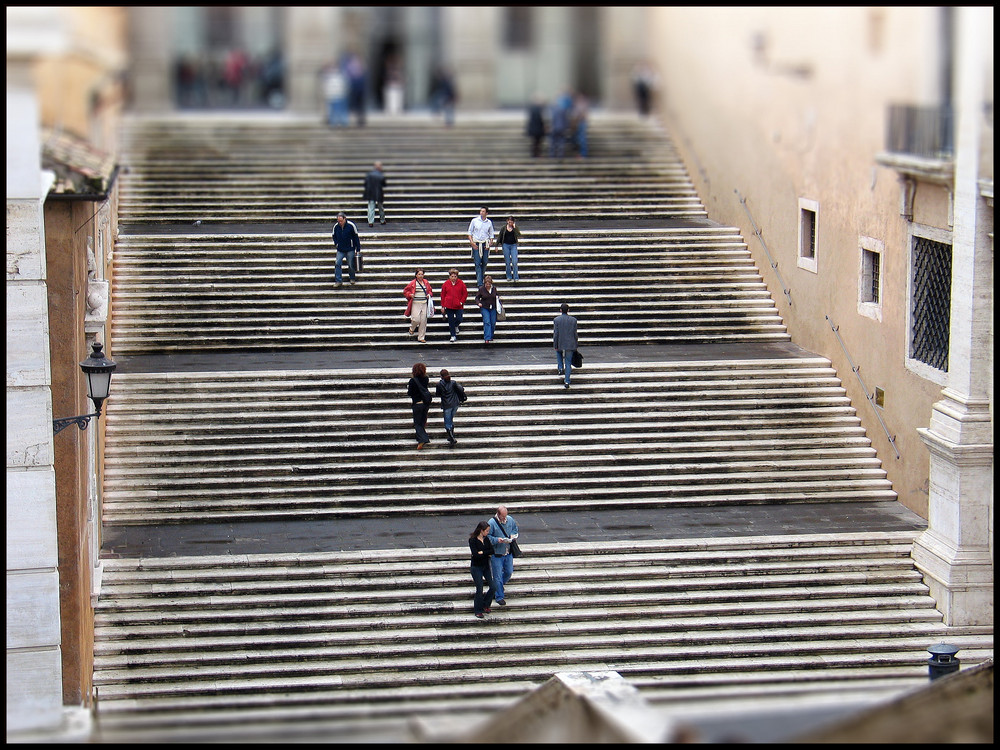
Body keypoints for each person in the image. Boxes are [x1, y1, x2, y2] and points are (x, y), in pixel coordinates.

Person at [487, 506, 519, 607]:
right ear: (498, 514)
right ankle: (499, 596)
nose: (505, 519)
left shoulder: (510, 519)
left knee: (509, 572)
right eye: (502, 517)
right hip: (497, 553)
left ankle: (498, 586)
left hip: (508, 551)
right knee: (497, 576)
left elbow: (515, 529)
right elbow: (487, 537)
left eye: (505, 516)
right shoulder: (491, 523)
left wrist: (512, 536)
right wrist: (497, 540)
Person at [469, 521, 495, 618]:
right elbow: (475, 555)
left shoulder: (486, 539)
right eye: (487, 531)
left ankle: (485, 604)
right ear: (481, 530)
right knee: (479, 588)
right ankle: (478, 610)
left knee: (493, 586)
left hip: (485, 566)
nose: (488, 533)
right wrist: (485, 553)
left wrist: (482, 552)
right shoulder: (473, 540)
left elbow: (492, 551)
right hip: (476, 567)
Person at [435, 368, 466, 446]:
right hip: (455, 403)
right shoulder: (453, 383)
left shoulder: (439, 384)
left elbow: (438, 394)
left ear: (441, 376)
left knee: (447, 421)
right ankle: (451, 435)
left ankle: (452, 437)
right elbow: (461, 389)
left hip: (446, 404)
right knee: (450, 418)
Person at [406, 362, 433, 449]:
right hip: (425, 403)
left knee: (417, 423)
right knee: (422, 422)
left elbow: (410, 393)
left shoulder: (412, 381)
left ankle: (423, 439)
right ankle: (419, 438)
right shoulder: (426, 379)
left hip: (417, 404)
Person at [403, 269, 433, 344]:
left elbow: (430, 291)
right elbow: (405, 291)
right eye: (419, 274)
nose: (420, 276)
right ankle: (412, 328)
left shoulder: (426, 282)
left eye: (422, 274)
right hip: (416, 303)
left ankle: (421, 337)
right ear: (416, 275)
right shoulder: (413, 283)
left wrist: (429, 295)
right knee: (415, 319)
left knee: (423, 320)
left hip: (424, 303)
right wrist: (410, 295)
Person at [467, 206, 494, 288]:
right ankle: (480, 282)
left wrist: (490, 242)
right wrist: (472, 242)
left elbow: (491, 233)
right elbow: (470, 232)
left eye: (483, 211)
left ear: (486, 213)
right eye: (481, 211)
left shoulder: (489, 222)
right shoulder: (474, 221)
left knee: (485, 261)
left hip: (485, 243)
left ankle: (481, 277)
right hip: (476, 242)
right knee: (477, 263)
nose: (481, 213)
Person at [332, 211, 361, 287]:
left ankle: (352, 278)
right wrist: (336, 244)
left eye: (341, 221)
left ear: (345, 219)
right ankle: (338, 280)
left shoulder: (351, 226)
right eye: (338, 221)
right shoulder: (336, 226)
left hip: (350, 248)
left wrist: (357, 249)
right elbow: (334, 236)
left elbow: (356, 237)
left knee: (351, 264)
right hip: (340, 249)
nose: (340, 223)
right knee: (337, 263)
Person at [553, 302, 578, 388]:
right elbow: (575, 334)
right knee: (568, 362)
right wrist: (576, 344)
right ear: (568, 310)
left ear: (560, 310)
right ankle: (567, 381)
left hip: (560, 342)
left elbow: (556, 334)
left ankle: (560, 368)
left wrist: (555, 344)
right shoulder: (573, 320)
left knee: (558, 353)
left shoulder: (556, 320)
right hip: (570, 343)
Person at [440, 268, 468, 343]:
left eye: (455, 276)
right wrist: (443, 306)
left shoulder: (461, 283)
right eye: (452, 276)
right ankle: (453, 335)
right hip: (449, 305)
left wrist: (461, 302)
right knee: (450, 320)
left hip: (458, 305)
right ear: (449, 277)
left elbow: (465, 293)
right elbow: (443, 295)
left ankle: (456, 325)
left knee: (459, 318)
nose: (453, 278)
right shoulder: (446, 284)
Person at [321, 61, 348, 126]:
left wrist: (343, 93)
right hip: (332, 96)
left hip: (339, 95)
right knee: (332, 110)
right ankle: (333, 122)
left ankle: (342, 122)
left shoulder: (341, 76)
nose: (333, 70)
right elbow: (326, 88)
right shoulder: (327, 78)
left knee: (340, 109)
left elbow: (344, 86)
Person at [497, 216, 521, 282]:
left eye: (511, 222)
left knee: (514, 261)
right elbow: (500, 236)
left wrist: (515, 228)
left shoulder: (515, 228)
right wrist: (497, 245)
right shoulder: (504, 228)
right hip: (505, 245)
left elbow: (518, 235)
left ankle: (516, 276)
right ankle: (509, 276)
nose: (510, 223)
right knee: (507, 262)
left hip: (513, 245)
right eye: (509, 222)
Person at [476, 275, 499, 344]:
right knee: (487, 322)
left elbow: (496, 296)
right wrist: (478, 303)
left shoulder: (494, 289)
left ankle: (491, 335)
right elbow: (477, 298)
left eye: (489, 284)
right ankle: (487, 337)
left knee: (493, 322)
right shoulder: (481, 289)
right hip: (484, 307)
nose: (488, 285)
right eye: (486, 284)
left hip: (493, 308)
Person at [363, 161, 387, 227]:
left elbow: (365, 183)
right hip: (379, 193)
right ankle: (382, 220)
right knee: (380, 207)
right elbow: (384, 184)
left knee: (371, 207)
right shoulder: (381, 175)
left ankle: (370, 221)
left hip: (371, 193)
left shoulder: (369, 174)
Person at [570, 93, 589, 159]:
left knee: (581, 139)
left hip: (580, 123)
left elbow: (578, 115)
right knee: (578, 138)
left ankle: (583, 154)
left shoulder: (580, 106)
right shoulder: (582, 105)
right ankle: (581, 153)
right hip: (580, 123)